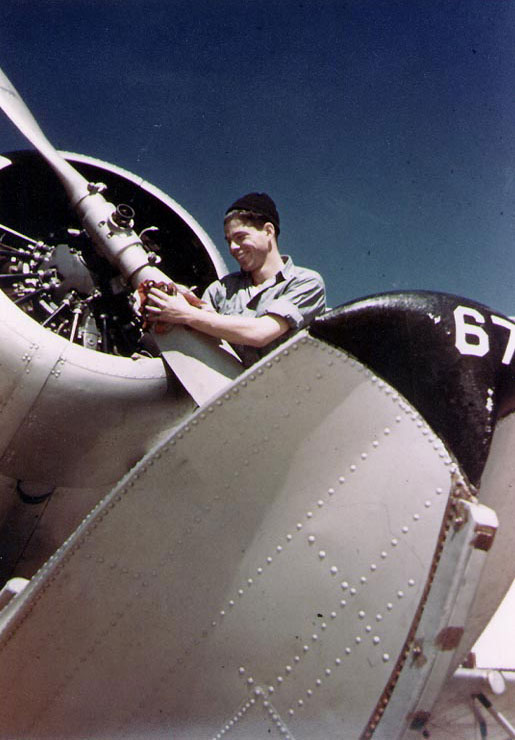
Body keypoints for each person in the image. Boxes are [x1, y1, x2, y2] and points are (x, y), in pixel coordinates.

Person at [144, 192, 326, 367]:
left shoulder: (306, 282)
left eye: (240, 237)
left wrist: (186, 314)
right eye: (228, 241)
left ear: (268, 231)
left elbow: (261, 332)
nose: (233, 248)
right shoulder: (219, 290)